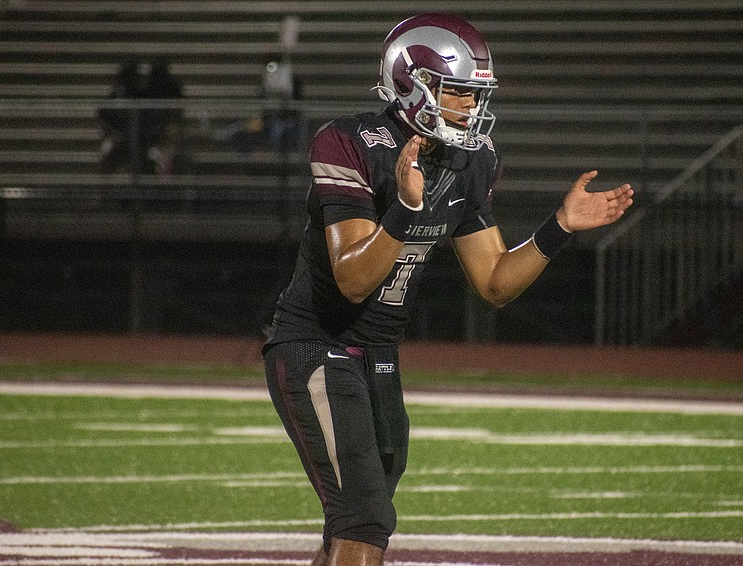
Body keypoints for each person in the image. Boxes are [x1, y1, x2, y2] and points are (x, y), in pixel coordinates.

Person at [261, 13, 634, 566]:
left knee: (353, 526)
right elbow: (354, 280)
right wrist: (405, 209)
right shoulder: (349, 143)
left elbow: (495, 282)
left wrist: (558, 228)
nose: (470, 106)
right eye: (458, 91)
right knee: (364, 520)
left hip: (379, 354)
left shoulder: (470, 159)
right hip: (317, 346)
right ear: (412, 84)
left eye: (476, 93)